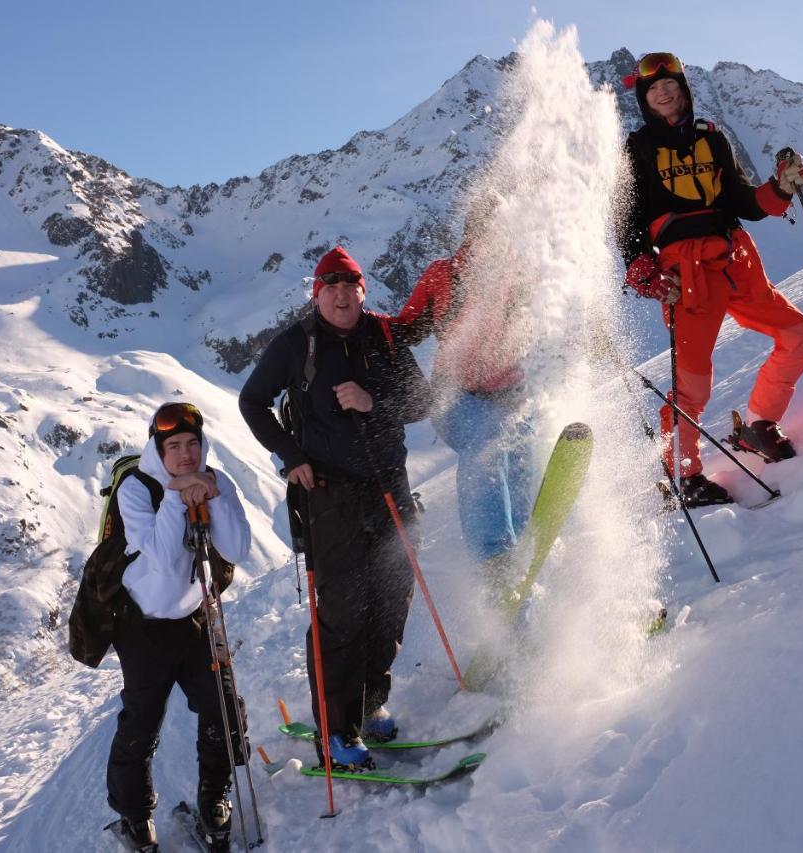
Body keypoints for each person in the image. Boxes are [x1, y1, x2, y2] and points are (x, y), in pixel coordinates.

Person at [238, 246, 430, 769]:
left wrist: (374, 401)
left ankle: (370, 705)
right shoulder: (295, 345)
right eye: (331, 287)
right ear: (316, 293)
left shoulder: (385, 337)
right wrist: (292, 456)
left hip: (391, 484)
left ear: (363, 291)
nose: (342, 295)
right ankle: (337, 731)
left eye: (350, 286)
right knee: (342, 612)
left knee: (392, 599)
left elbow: (424, 402)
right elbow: (251, 402)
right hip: (330, 494)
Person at [618, 51, 803, 506]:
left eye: (670, 84)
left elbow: (743, 201)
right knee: (692, 388)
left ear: (683, 89)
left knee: (801, 340)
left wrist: (781, 188)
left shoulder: (712, 137)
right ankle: (684, 475)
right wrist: (640, 267)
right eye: (653, 89)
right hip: (684, 273)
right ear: (644, 100)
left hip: (735, 260)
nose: (664, 92)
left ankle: (759, 427)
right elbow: (625, 219)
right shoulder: (634, 151)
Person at [106, 402, 251, 852]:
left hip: (195, 616)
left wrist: (212, 496)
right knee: (141, 724)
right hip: (143, 626)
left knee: (222, 710)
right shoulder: (136, 488)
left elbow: (237, 549)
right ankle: (134, 817)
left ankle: (213, 800)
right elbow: (164, 558)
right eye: (174, 445)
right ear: (158, 447)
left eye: (192, 443)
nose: (185, 454)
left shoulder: (215, 479)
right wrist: (175, 495)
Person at [392, 199, 534, 578]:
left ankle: (520, 568)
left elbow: (552, 315)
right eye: (483, 228)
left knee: (521, 469)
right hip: (457, 399)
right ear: (470, 233)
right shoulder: (445, 276)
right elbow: (404, 329)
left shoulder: (519, 272)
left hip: (512, 399)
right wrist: (363, 326)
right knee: (487, 444)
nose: (490, 236)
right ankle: (493, 560)